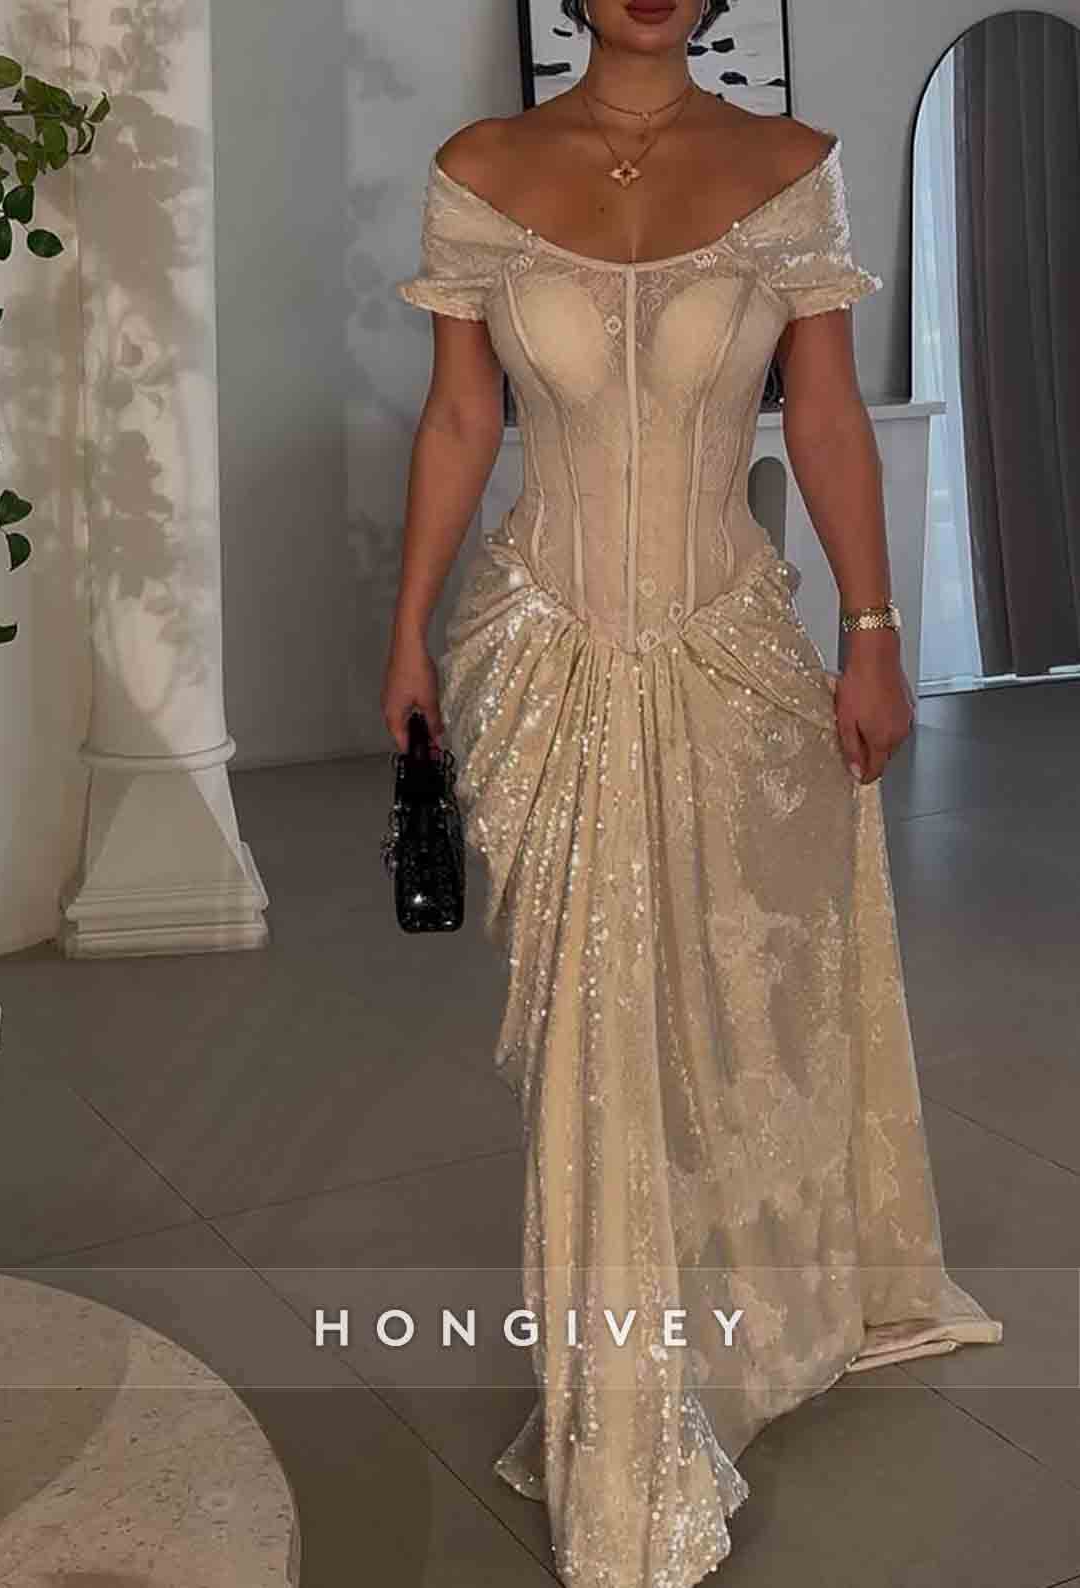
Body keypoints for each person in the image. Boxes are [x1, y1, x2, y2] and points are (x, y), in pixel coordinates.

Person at [383, 3, 1004, 1584]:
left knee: (729, 1013)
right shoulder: (481, 166)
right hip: (541, 659)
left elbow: (825, 416)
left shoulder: (791, 168)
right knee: (587, 1026)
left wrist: (874, 633)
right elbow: (461, 416)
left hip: (733, 653)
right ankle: (621, 1426)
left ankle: (730, 1334)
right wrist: (405, 633)